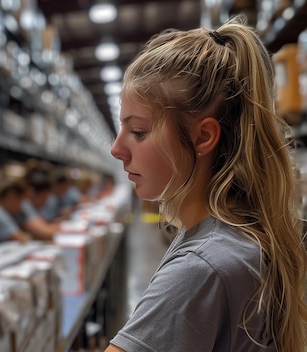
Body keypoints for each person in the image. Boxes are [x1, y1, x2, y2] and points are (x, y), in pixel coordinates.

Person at [107, 16, 307, 352]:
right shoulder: (238, 235)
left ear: (203, 137)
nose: (117, 149)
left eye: (138, 132)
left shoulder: (201, 269)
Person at [17, 167, 61, 240]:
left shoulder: (29, 205)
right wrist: (59, 227)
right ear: (32, 192)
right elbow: (45, 232)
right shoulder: (24, 206)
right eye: (43, 197)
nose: (45, 202)